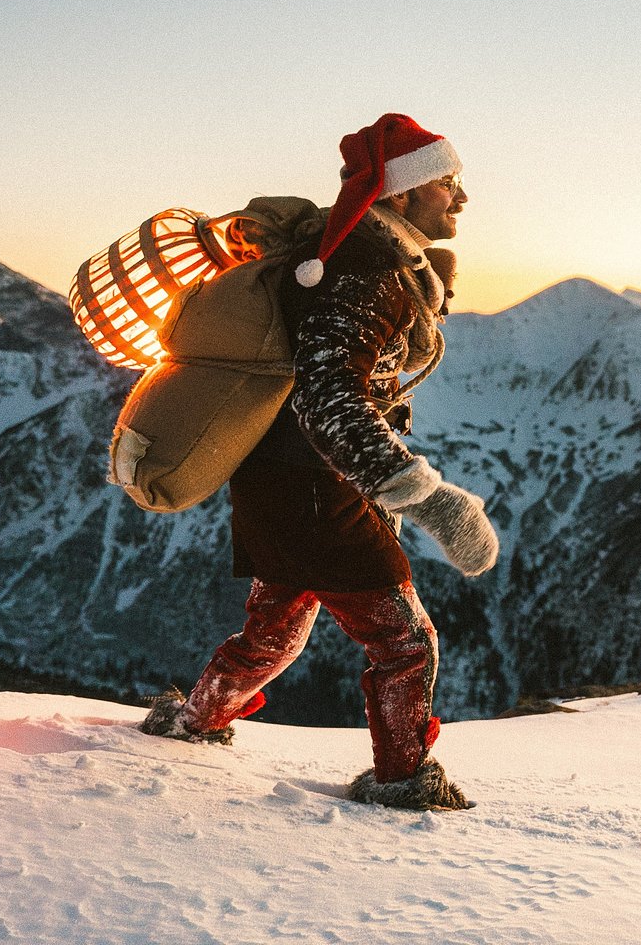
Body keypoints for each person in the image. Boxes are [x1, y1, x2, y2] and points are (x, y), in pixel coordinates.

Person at [140, 114, 498, 812]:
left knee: (276, 627)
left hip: (285, 480)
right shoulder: (367, 271)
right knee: (406, 642)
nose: (461, 197)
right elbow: (329, 399)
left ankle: (194, 720)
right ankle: (403, 778)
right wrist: (432, 500)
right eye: (447, 183)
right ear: (399, 195)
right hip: (314, 485)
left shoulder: (364, 260)